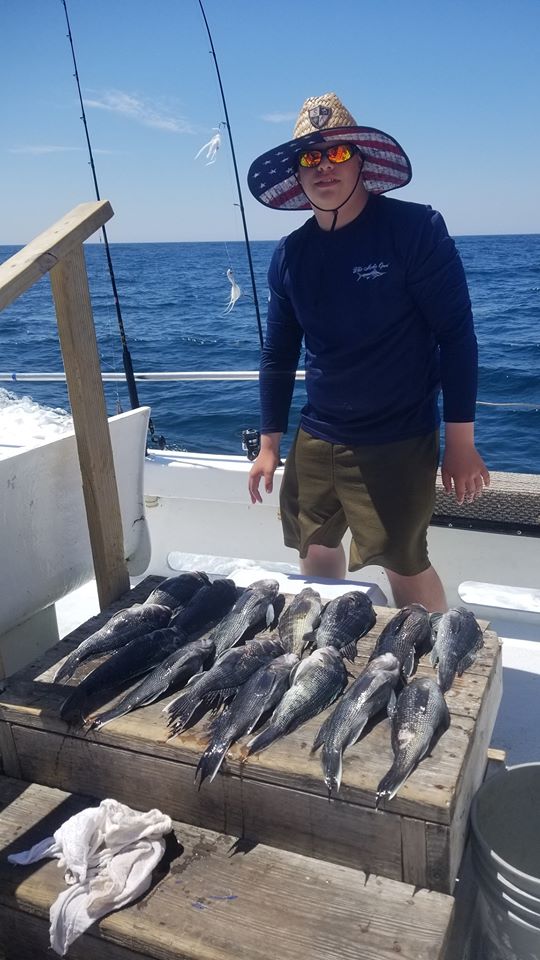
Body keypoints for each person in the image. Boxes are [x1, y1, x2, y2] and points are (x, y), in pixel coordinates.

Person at [246, 93, 489, 611]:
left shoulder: (415, 230)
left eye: (337, 153)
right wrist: (269, 443)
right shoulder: (289, 254)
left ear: (362, 163)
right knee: (314, 545)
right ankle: (323, 635)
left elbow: (457, 336)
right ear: (297, 175)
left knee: (403, 561)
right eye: (310, 157)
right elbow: (278, 355)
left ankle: (430, 652)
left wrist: (461, 443)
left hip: (397, 435)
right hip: (318, 432)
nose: (323, 167)